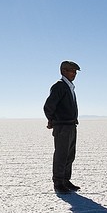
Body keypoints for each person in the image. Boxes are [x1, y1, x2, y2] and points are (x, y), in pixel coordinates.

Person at [43, 60, 81, 194]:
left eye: (75, 72)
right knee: (61, 155)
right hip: (62, 126)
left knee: (70, 155)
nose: (74, 74)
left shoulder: (69, 86)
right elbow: (49, 106)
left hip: (71, 125)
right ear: (64, 71)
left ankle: (65, 180)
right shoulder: (59, 86)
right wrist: (52, 120)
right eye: (72, 71)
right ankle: (58, 183)